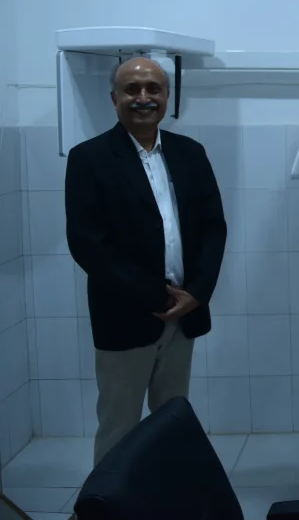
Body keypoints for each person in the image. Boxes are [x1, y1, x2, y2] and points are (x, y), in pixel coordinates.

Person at [65, 57, 227, 467]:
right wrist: (154, 295)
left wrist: (197, 293)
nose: (143, 98)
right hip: (125, 315)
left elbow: (213, 228)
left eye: (153, 89)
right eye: (132, 89)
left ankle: (165, 500)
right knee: (119, 426)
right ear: (113, 99)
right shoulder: (89, 159)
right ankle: (106, 509)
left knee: (172, 419)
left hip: (184, 314)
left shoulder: (190, 153)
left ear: (167, 97)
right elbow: (88, 244)